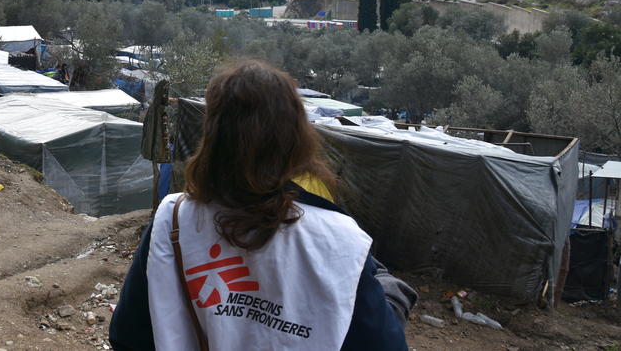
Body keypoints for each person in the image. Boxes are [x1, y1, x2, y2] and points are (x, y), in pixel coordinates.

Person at [110, 59, 414, 350]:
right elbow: (383, 344)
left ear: (214, 135)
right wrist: (391, 297)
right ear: (296, 137)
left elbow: (128, 335)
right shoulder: (341, 241)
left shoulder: (173, 218)